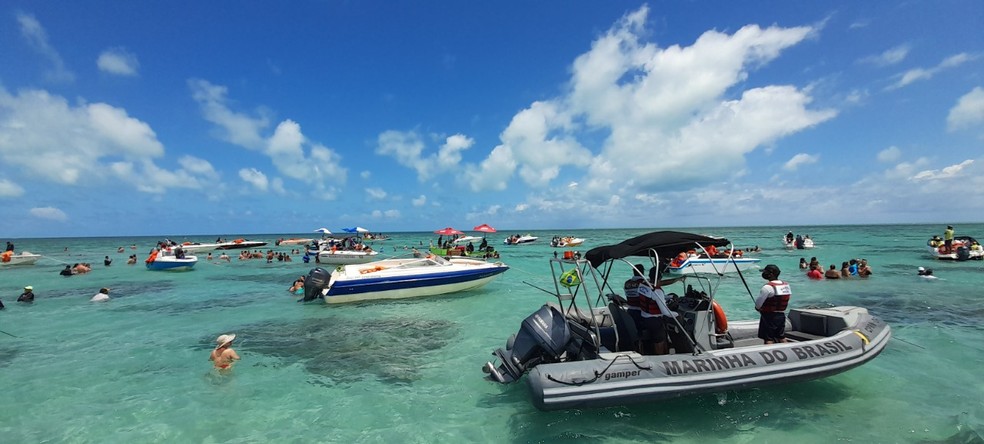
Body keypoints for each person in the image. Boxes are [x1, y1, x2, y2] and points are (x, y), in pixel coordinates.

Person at [638, 267, 674, 355]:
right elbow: (665, 312)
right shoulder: (657, 291)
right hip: (654, 320)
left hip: (643, 317)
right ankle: (660, 356)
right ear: (660, 278)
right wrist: (676, 314)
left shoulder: (642, 285)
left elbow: (650, 298)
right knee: (659, 340)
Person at [755, 264, 791, 344]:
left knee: (768, 338)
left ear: (771, 274)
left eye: (765, 272)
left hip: (769, 317)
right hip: (781, 315)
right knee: (781, 336)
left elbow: (758, 304)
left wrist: (758, 308)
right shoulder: (786, 285)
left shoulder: (767, 287)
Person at [622, 264, 647, 339]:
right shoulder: (644, 283)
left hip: (630, 311)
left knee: (634, 331)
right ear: (642, 271)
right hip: (641, 312)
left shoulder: (627, 283)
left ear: (633, 271)